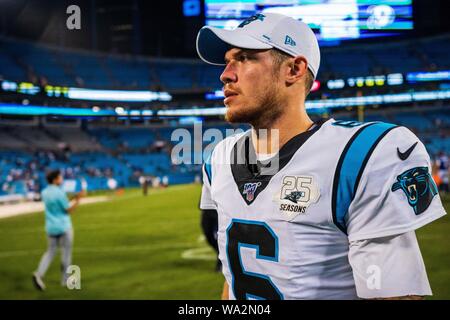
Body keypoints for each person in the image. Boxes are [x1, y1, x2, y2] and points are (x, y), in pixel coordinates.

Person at [196, 13, 447, 300]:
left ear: (294, 69)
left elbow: (393, 295)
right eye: (228, 61)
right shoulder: (219, 159)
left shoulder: (361, 156)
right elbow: (233, 279)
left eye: (244, 58)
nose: (225, 74)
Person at [32, 170, 85, 291]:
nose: (61, 179)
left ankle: (39, 274)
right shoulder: (60, 192)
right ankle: (65, 280)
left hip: (51, 227)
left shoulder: (45, 192)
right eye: (60, 177)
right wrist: (78, 199)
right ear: (55, 179)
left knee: (50, 252)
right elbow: (68, 210)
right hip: (64, 226)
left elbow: (59, 204)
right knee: (66, 253)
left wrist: (74, 197)